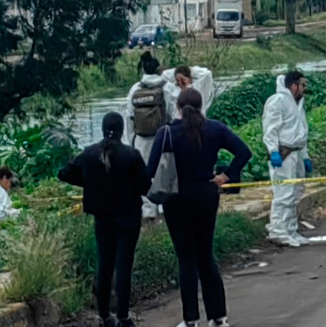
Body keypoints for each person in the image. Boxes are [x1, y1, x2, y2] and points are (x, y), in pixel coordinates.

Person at [147, 88, 252, 327]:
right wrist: (226, 175)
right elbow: (244, 152)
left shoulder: (167, 133)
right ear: (201, 105)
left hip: (177, 198)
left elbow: (150, 170)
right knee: (206, 255)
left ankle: (191, 319)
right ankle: (219, 316)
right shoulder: (215, 129)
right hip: (207, 194)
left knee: (186, 259)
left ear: (178, 108)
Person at [58, 113, 151, 327]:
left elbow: (64, 173)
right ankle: (123, 317)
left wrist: (89, 183)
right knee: (123, 265)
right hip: (128, 216)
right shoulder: (131, 155)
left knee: (105, 263)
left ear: (102, 129)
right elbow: (145, 186)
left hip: (102, 217)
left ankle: (103, 316)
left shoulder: (89, 154)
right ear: (121, 130)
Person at [262, 71, 313, 247]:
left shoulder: (298, 104)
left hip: (296, 152)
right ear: (293, 86)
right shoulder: (278, 101)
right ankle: (278, 230)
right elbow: (271, 128)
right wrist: (273, 151)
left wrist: (305, 155)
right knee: (283, 193)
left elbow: (301, 131)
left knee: (295, 192)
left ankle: (291, 229)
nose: (304, 89)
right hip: (284, 154)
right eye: (302, 84)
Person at [124, 56, 174, 219]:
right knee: (164, 172)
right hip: (163, 138)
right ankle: (164, 209)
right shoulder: (166, 88)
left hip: (141, 140)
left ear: (143, 69)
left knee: (144, 174)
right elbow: (172, 114)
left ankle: (148, 212)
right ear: (158, 69)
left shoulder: (135, 89)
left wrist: (131, 142)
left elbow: (130, 117)